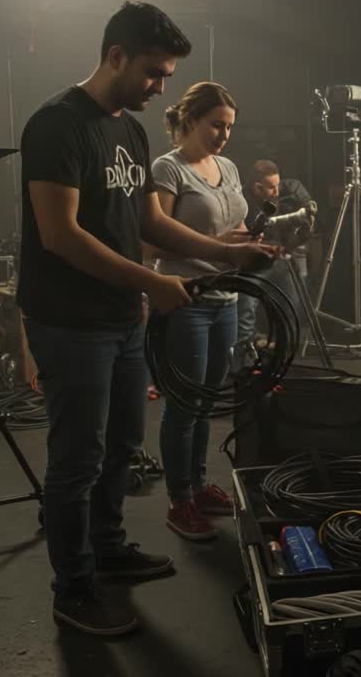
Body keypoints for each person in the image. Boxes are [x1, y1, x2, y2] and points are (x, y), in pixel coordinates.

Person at [17, 2, 273, 637]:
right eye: (155, 72)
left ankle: (106, 548)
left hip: (122, 318)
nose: (162, 86)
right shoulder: (57, 124)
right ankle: (73, 589)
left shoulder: (128, 131)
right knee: (76, 458)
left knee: (123, 444)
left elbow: (150, 223)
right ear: (115, 57)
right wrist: (154, 283)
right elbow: (60, 235)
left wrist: (223, 254)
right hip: (71, 321)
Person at [149, 82, 250, 541]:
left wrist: (257, 243)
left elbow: (235, 225)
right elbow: (152, 240)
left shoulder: (226, 166)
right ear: (191, 121)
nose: (223, 135)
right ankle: (179, 500)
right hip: (186, 300)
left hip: (225, 299)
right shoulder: (167, 169)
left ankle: (198, 485)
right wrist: (218, 248)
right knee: (184, 405)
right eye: (216, 125)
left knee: (207, 403)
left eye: (229, 127)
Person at [234, 159, 312, 368]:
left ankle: (284, 362)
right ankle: (245, 366)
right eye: (271, 187)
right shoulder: (241, 202)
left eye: (278, 184)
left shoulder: (288, 187)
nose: (278, 191)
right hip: (255, 261)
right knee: (246, 312)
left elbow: (300, 195)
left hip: (283, 257)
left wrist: (307, 208)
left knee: (291, 307)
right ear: (257, 188)